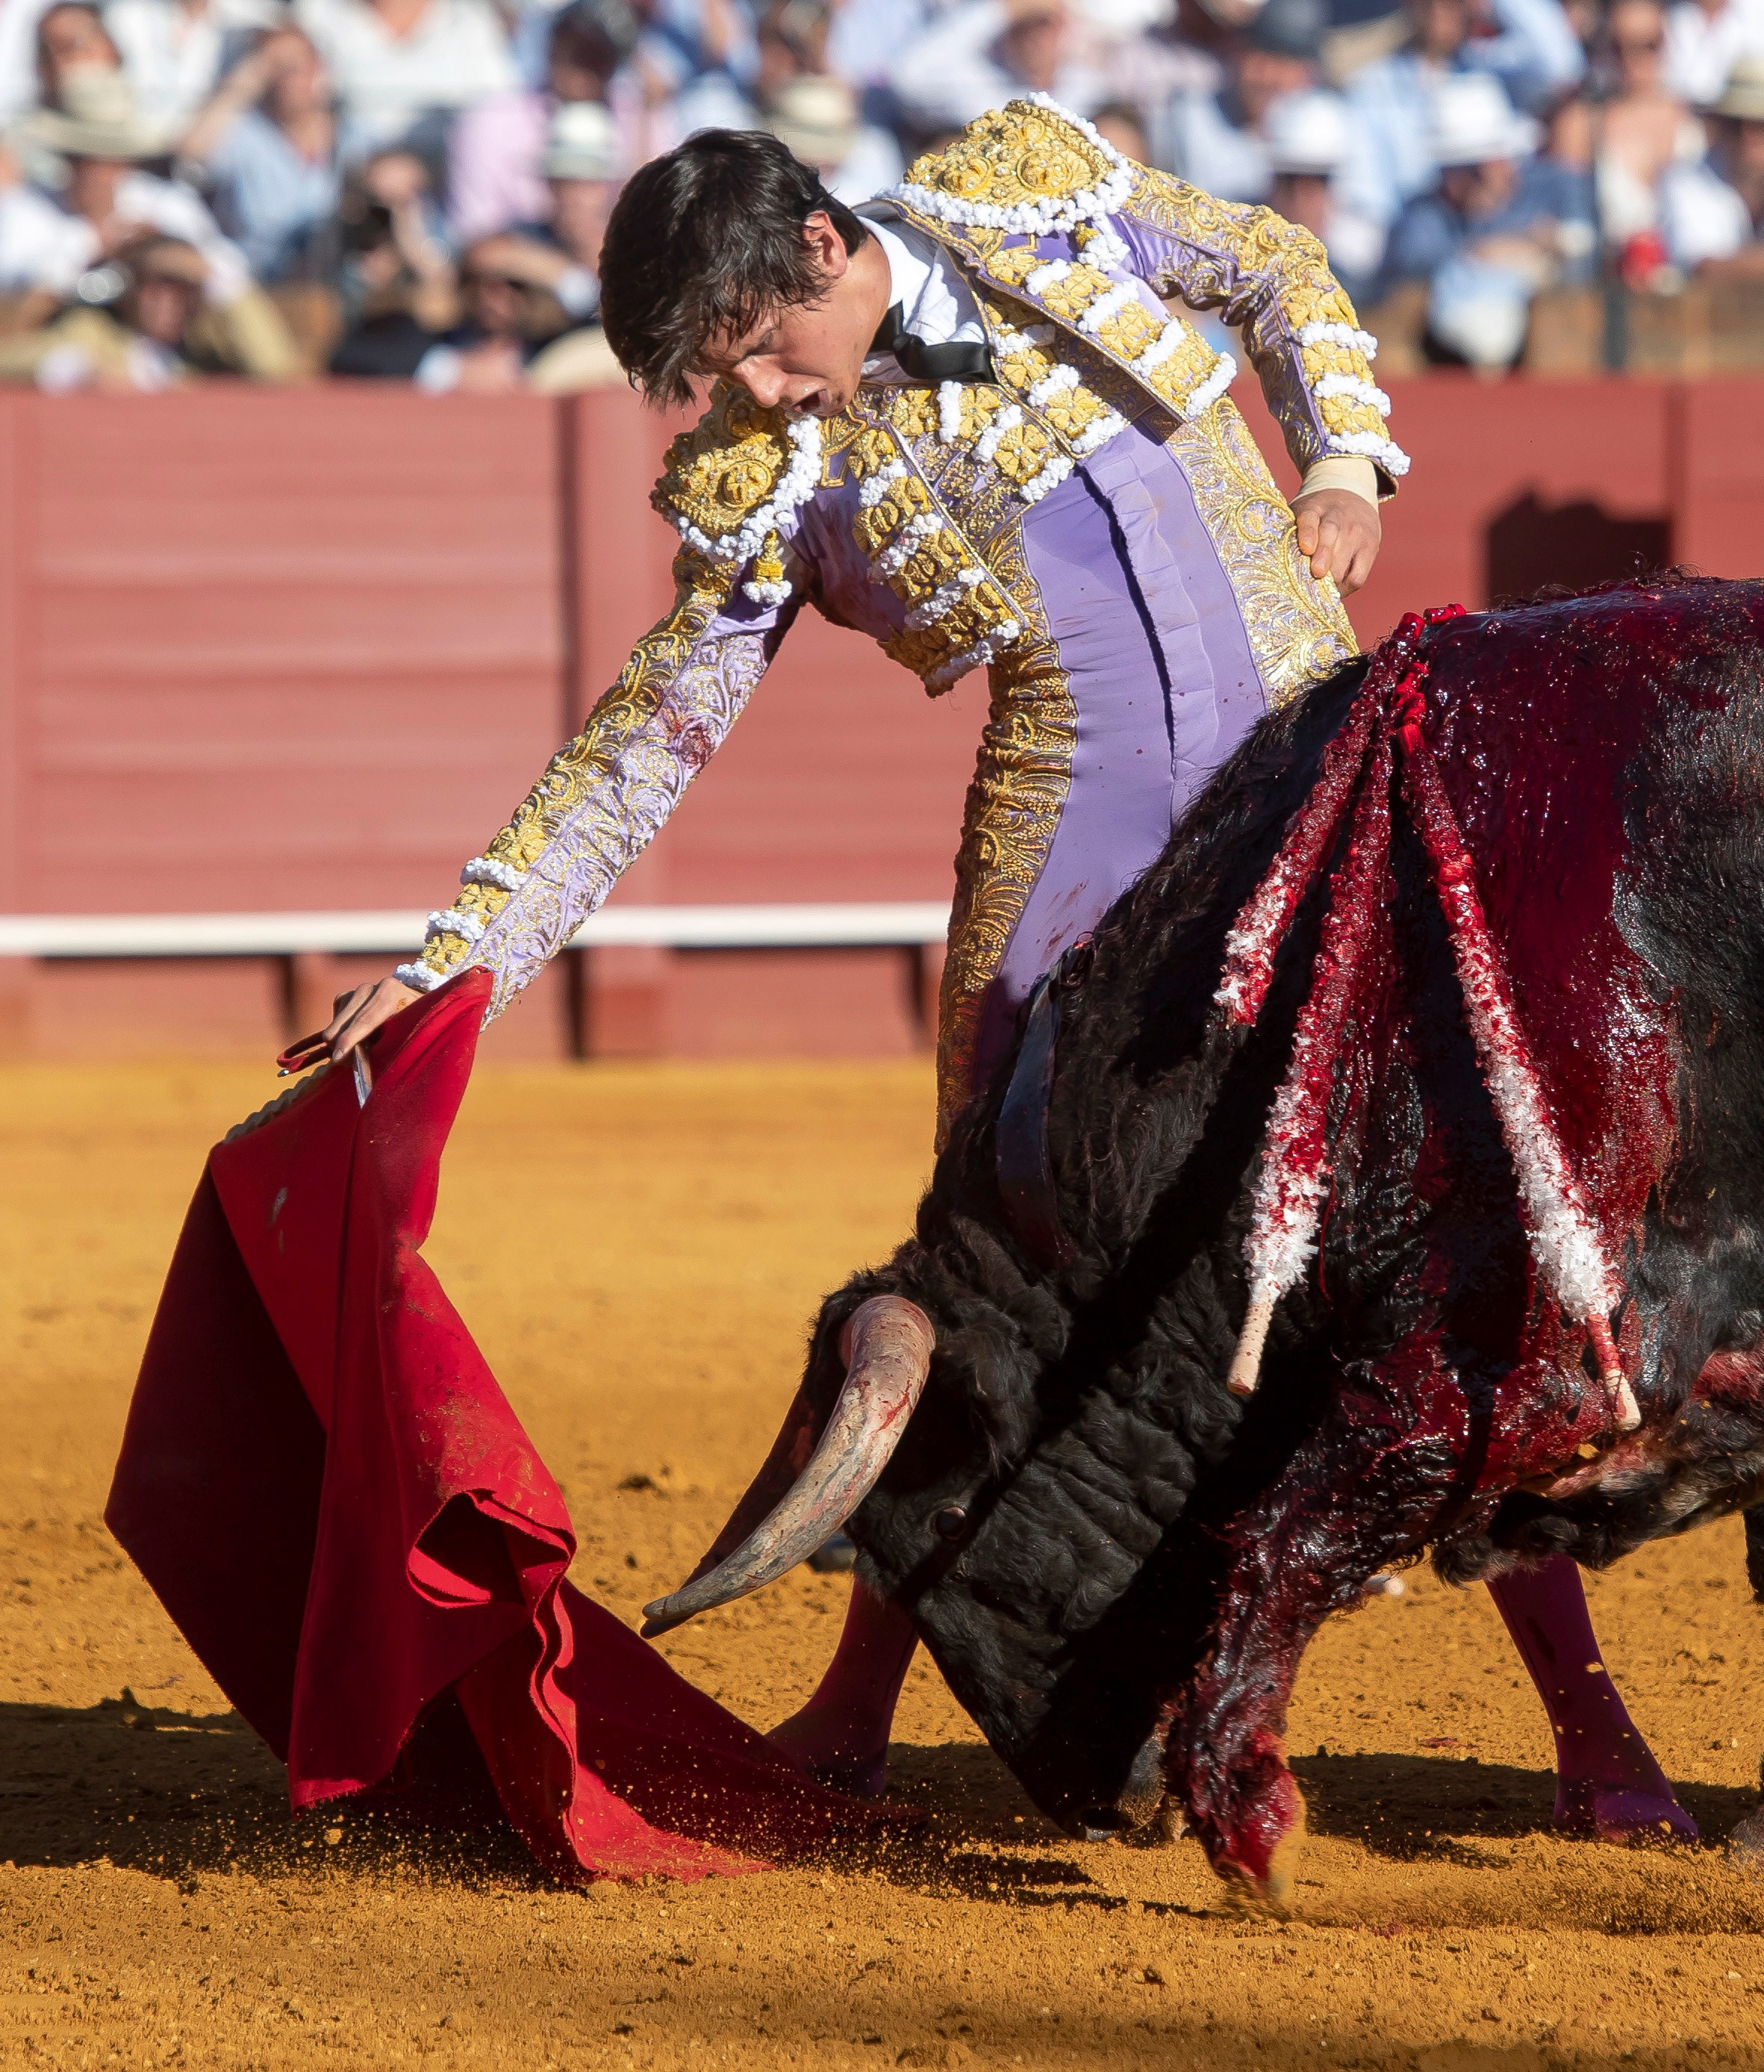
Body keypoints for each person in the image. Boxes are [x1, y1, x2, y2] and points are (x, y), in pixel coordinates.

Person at [298, 98, 1396, 1789]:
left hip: (1313, 746)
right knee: (985, 1261)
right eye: (718, 371)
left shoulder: (1028, 197)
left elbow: (1273, 263)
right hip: (1072, 846)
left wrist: (1336, 452)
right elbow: (645, 739)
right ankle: (859, 1698)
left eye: (758, 344)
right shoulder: (773, 471)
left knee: (1443, 1176)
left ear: (823, 244)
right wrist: (463, 956)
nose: (754, 391)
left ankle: (1583, 1706)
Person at [1376, 70, 1593, 364]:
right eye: (1449, 170)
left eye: (1470, 170)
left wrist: (1539, 248)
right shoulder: (1424, 216)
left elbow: (1587, 251)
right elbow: (1405, 272)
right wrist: (1481, 255)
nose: (1454, 183)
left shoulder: (1551, 190)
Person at [1341, 0, 1585, 232]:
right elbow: (1371, 202)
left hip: (1506, 225)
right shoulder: (1374, 87)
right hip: (1425, 237)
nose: (1438, 9)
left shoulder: (1492, 68)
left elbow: (1562, 63)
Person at [0, 225, 295, 381]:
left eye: (183, 290)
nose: (170, 303)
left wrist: (214, 277)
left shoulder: (206, 345)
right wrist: (78, 369)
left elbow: (276, 369)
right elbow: (10, 361)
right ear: (131, 289)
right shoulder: (96, 333)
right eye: (157, 287)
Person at [446, 0, 626, 246]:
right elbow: (474, 241)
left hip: (609, 264)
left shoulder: (637, 113)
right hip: (517, 272)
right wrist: (564, 276)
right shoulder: (491, 122)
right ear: (552, 47)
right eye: (575, 52)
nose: (586, 67)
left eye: (598, 56)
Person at [178, 25, 340, 284]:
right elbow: (189, 150)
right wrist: (249, 76)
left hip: (330, 283)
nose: (286, 80)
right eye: (276, 69)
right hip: (257, 282)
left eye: (295, 68)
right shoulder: (247, 134)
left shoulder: (347, 132)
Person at [291, 0, 516, 158]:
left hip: (451, 185)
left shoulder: (472, 20)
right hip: (346, 184)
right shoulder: (318, 14)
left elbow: (500, 121)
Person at [890, 0, 1108, 133]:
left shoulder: (1091, 86)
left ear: (1064, 27)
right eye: (1022, 26)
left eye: (1044, 25)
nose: (1034, 40)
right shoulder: (978, 80)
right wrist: (1000, 9)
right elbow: (906, 77)